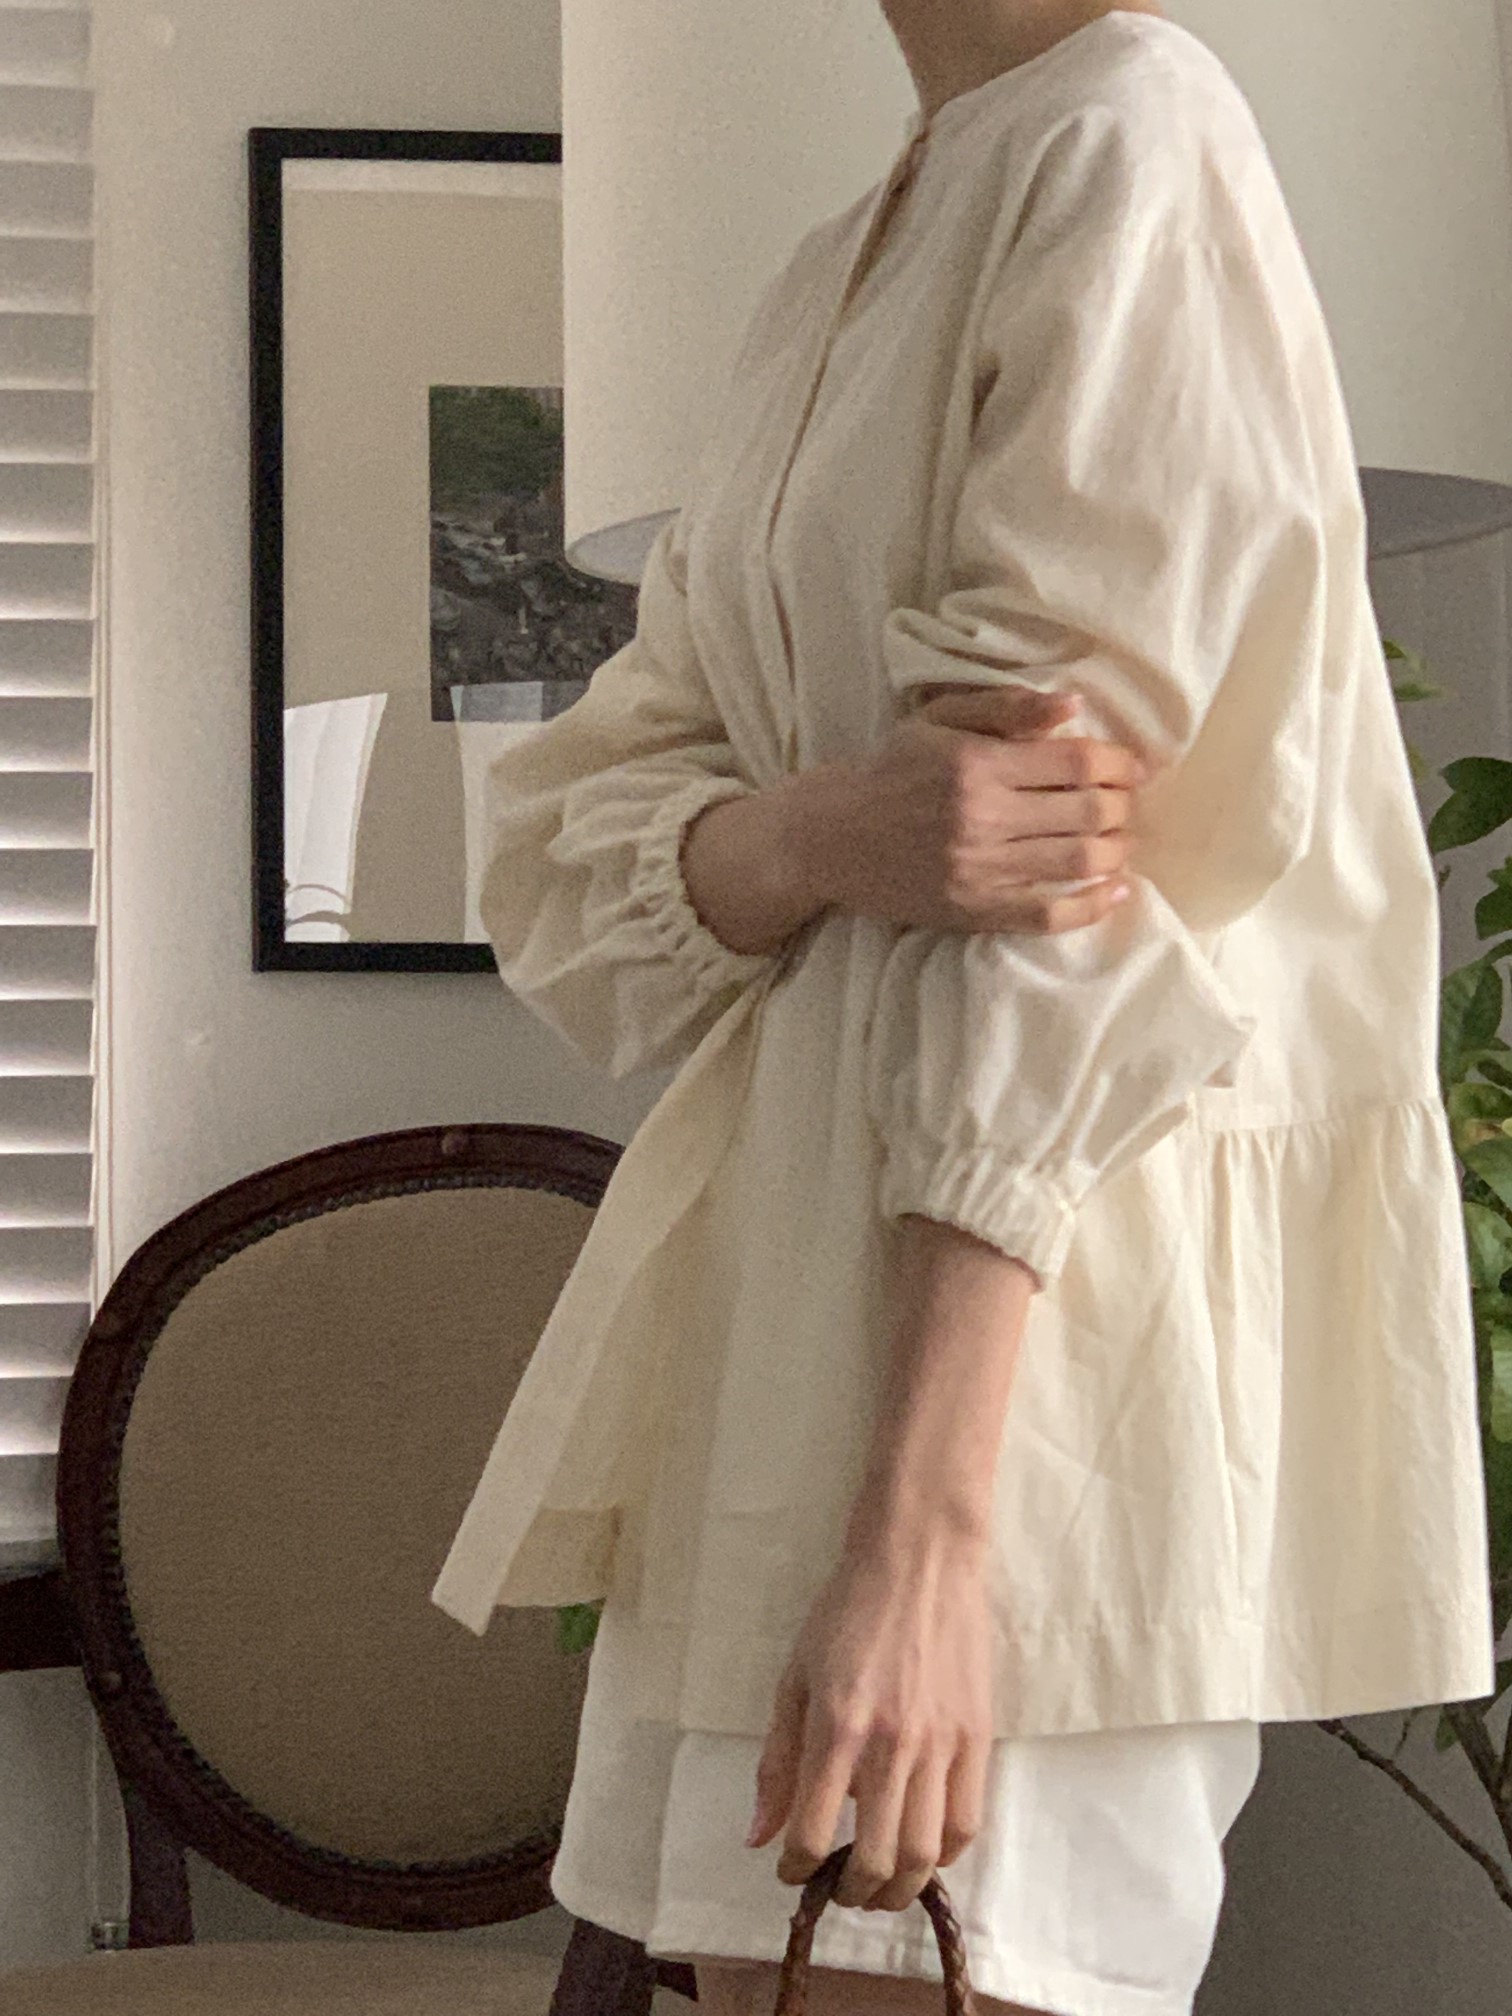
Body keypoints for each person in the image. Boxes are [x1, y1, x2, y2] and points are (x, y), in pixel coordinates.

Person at [431, 4, 1496, 2013]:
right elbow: (564, 863)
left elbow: (1069, 893)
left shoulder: (1132, 134)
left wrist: (925, 1544)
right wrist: (822, 828)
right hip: (781, 1358)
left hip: (1013, 1400)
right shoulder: (835, 263)